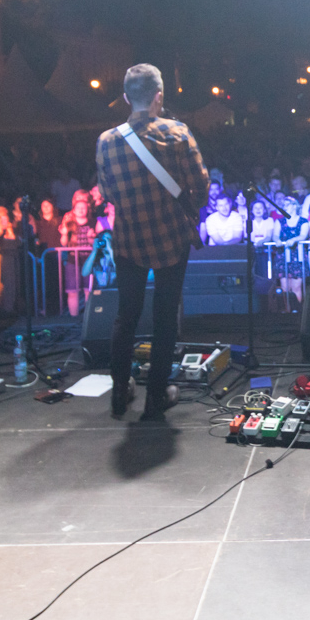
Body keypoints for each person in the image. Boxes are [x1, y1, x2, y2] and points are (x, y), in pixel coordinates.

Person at [95, 63, 210, 421]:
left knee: (125, 317)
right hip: (171, 239)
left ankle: (119, 392)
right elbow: (201, 186)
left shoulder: (107, 141)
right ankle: (156, 395)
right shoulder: (177, 133)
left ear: (127, 97)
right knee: (165, 318)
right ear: (159, 97)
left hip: (129, 240)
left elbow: (108, 193)